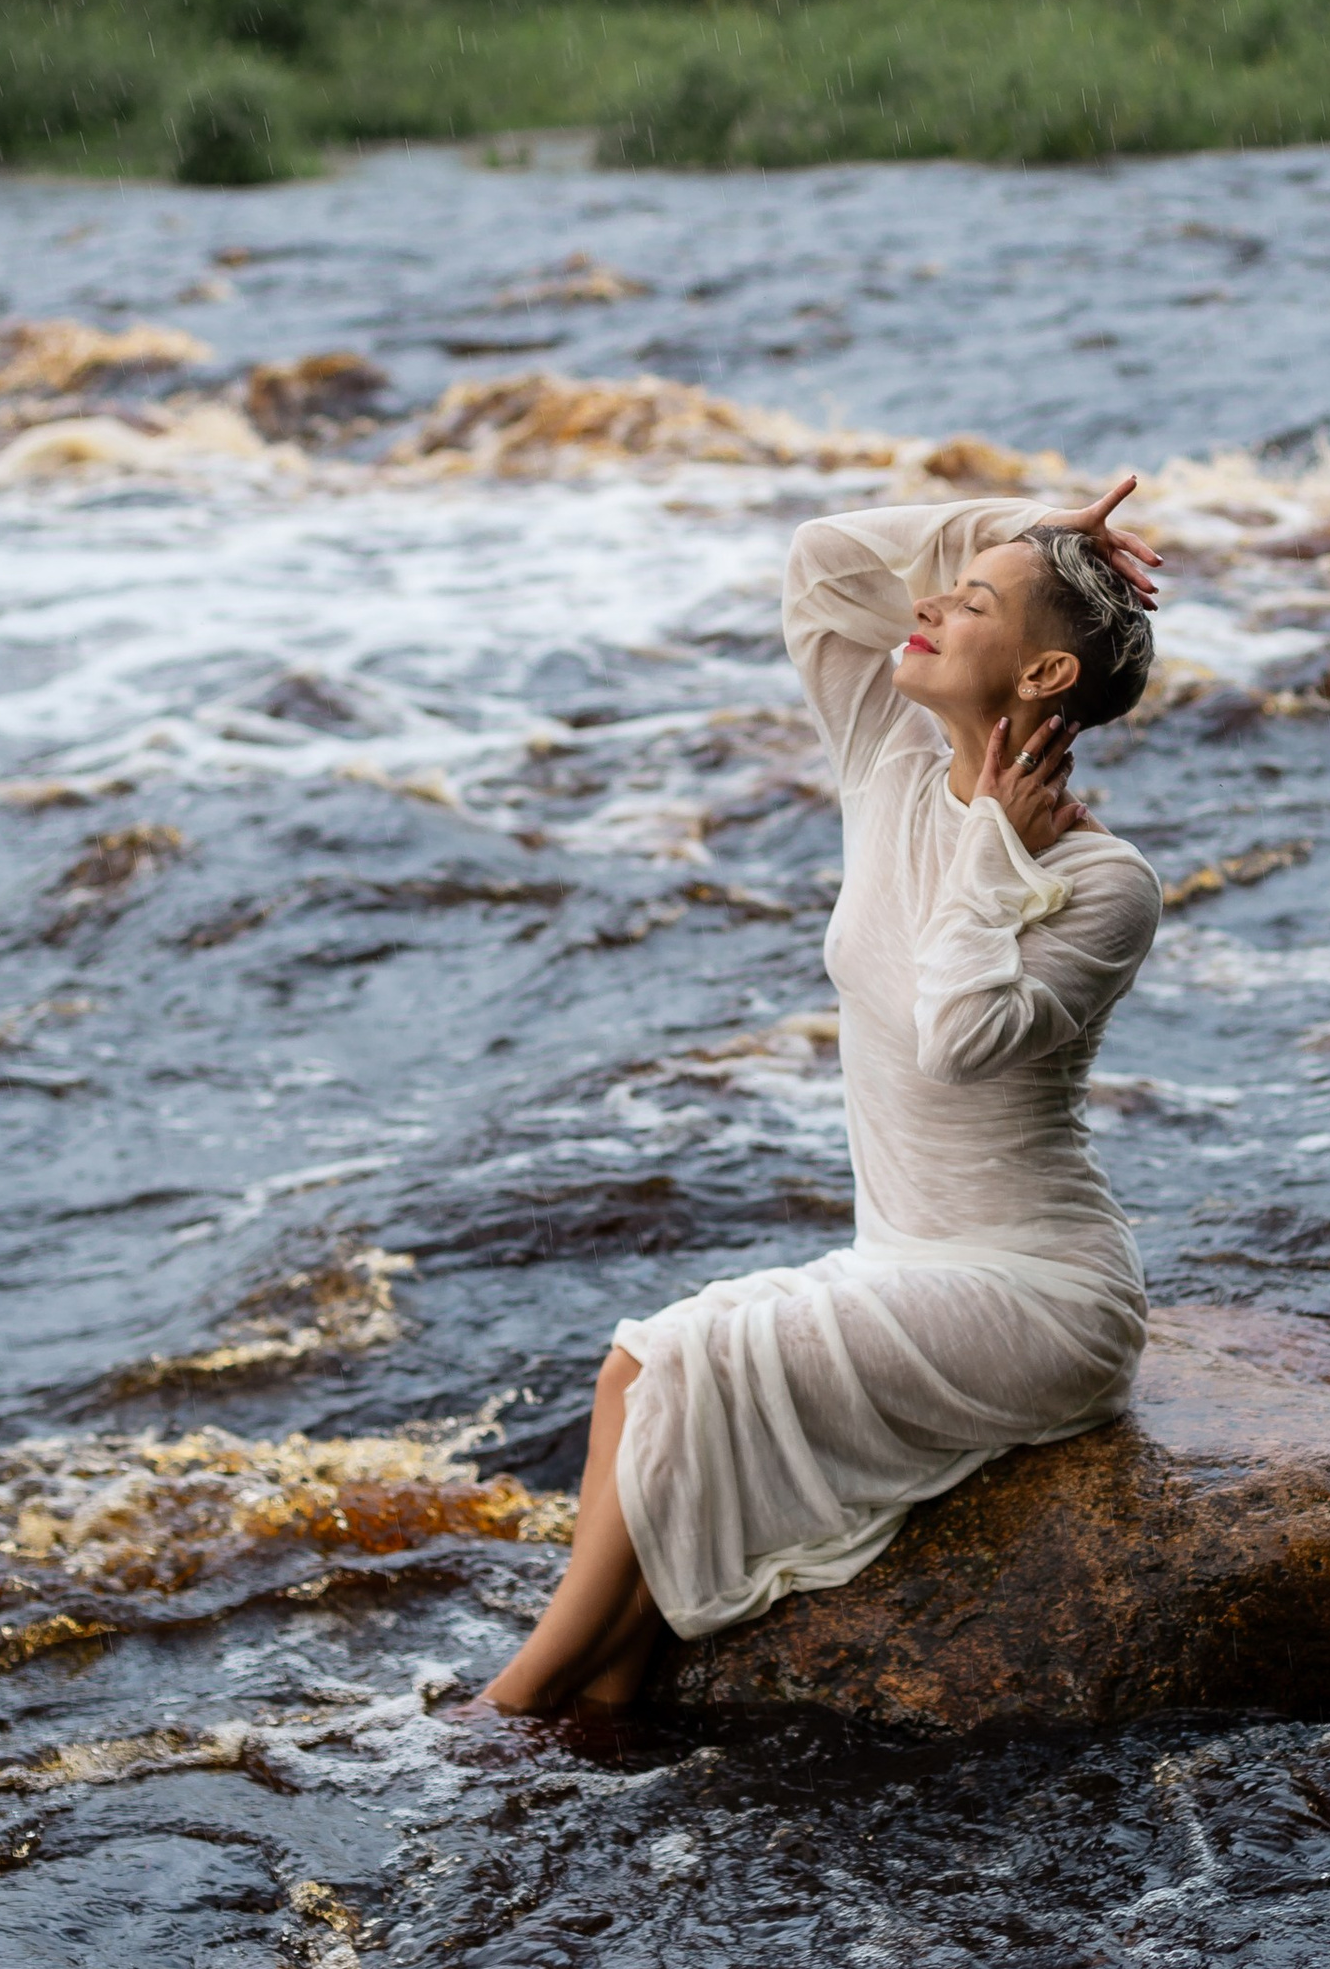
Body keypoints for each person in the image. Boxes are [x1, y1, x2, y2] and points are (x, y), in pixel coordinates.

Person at [476, 471, 1164, 1717]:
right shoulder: (886, 762)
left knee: (679, 1356)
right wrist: (1027, 526)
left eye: (969, 603)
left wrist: (991, 849)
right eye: (945, 589)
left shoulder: (1107, 883)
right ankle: (613, 1687)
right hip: (898, 1257)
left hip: (1040, 1292)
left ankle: (511, 1705)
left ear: (1045, 674)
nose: (928, 606)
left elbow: (960, 1038)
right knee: (636, 1373)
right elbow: (820, 560)